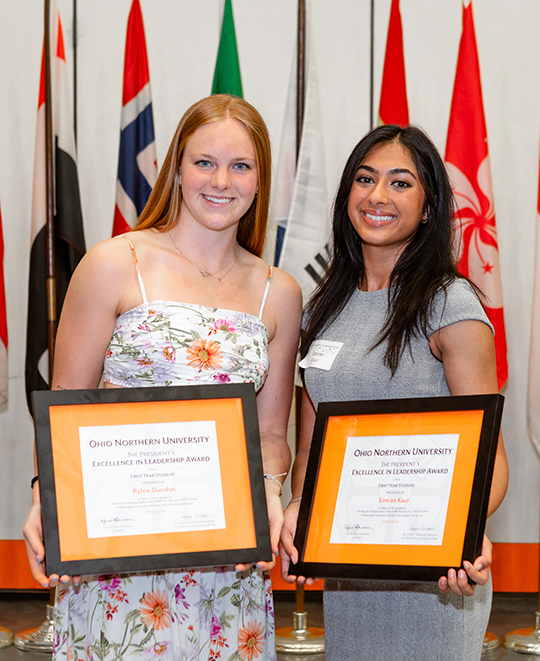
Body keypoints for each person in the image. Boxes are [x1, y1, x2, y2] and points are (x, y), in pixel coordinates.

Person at [23, 94, 302, 661]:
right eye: (204, 162)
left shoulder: (281, 291)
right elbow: (65, 407)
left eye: (240, 166)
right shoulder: (112, 263)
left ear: (259, 178)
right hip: (119, 553)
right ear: (176, 168)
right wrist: (43, 501)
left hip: (230, 562)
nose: (220, 181)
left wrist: (270, 495)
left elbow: (272, 436)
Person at [280, 124, 508, 661]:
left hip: (438, 577)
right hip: (351, 571)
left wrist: (465, 536)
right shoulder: (320, 310)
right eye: (365, 179)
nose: (378, 196)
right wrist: (298, 507)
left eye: (400, 183)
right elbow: (312, 449)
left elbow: (489, 456)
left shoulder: (451, 304)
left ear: (429, 207)